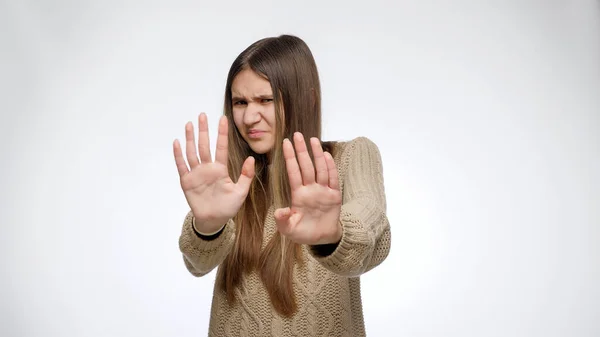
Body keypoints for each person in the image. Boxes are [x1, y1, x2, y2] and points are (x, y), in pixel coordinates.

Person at [173, 34, 391, 337]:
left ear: (307, 98)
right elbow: (196, 263)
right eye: (240, 102)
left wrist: (332, 235)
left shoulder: (350, 157)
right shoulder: (232, 180)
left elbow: (372, 239)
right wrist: (207, 225)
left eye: (265, 100)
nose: (250, 117)